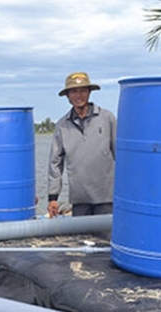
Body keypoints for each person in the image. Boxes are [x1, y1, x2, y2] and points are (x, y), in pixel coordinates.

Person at [47, 71, 116, 217]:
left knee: (106, 238)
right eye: (74, 92)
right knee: (82, 239)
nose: (79, 95)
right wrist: (53, 197)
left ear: (89, 92)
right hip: (80, 200)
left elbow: (122, 155)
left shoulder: (107, 118)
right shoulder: (62, 126)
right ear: (67, 96)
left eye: (82, 90)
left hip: (106, 198)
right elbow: (55, 162)